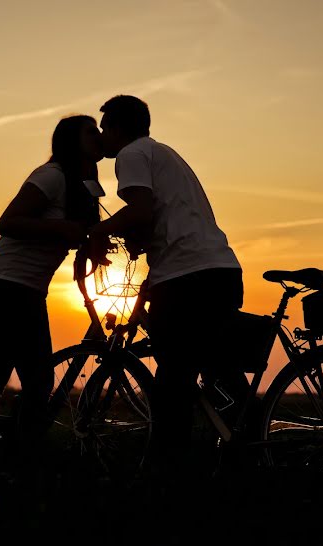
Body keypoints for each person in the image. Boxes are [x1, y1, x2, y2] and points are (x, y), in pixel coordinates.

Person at [87, 95, 247, 477]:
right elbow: (157, 214)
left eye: (106, 127)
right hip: (218, 270)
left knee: (173, 378)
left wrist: (99, 230)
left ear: (121, 128)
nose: (102, 136)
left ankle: (168, 472)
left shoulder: (131, 155)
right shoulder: (163, 153)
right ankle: (246, 444)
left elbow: (140, 209)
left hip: (185, 278)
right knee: (215, 366)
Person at [0, 115, 104, 470]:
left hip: (27, 290)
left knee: (23, 377)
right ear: (72, 141)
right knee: (14, 377)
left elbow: (79, 232)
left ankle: (3, 454)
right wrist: (62, 229)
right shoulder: (53, 175)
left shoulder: (83, 185)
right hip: (4, 285)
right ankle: (1, 457)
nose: (100, 136)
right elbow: (8, 222)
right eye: (92, 131)